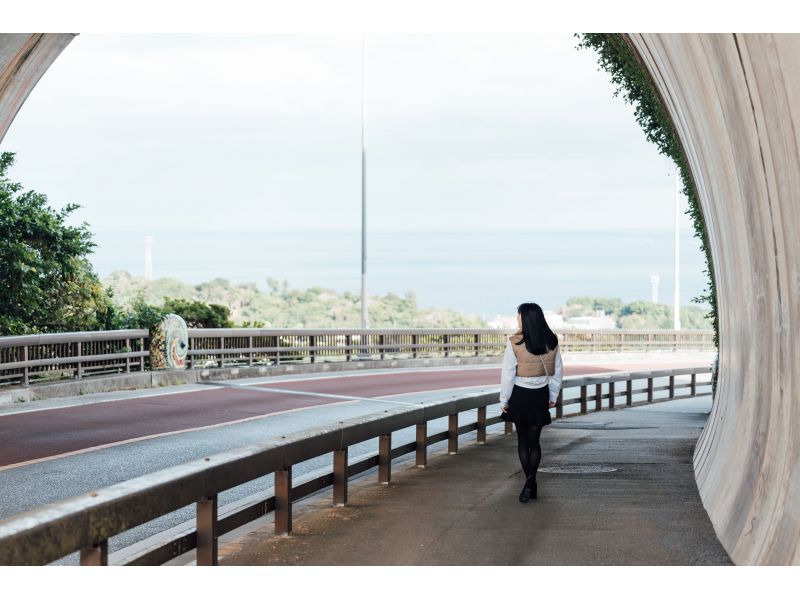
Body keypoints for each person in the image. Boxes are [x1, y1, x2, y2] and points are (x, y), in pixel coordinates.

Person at [499, 302, 563, 503]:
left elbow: (508, 375)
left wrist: (504, 400)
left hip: (520, 395)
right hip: (540, 395)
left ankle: (529, 483)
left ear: (525, 318)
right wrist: (553, 396)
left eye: (518, 315)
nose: (517, 318)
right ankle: (531, 484)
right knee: (534, 442)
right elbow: (557, 372)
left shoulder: (514, 342)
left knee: (522, 442)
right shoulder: (551, 341)